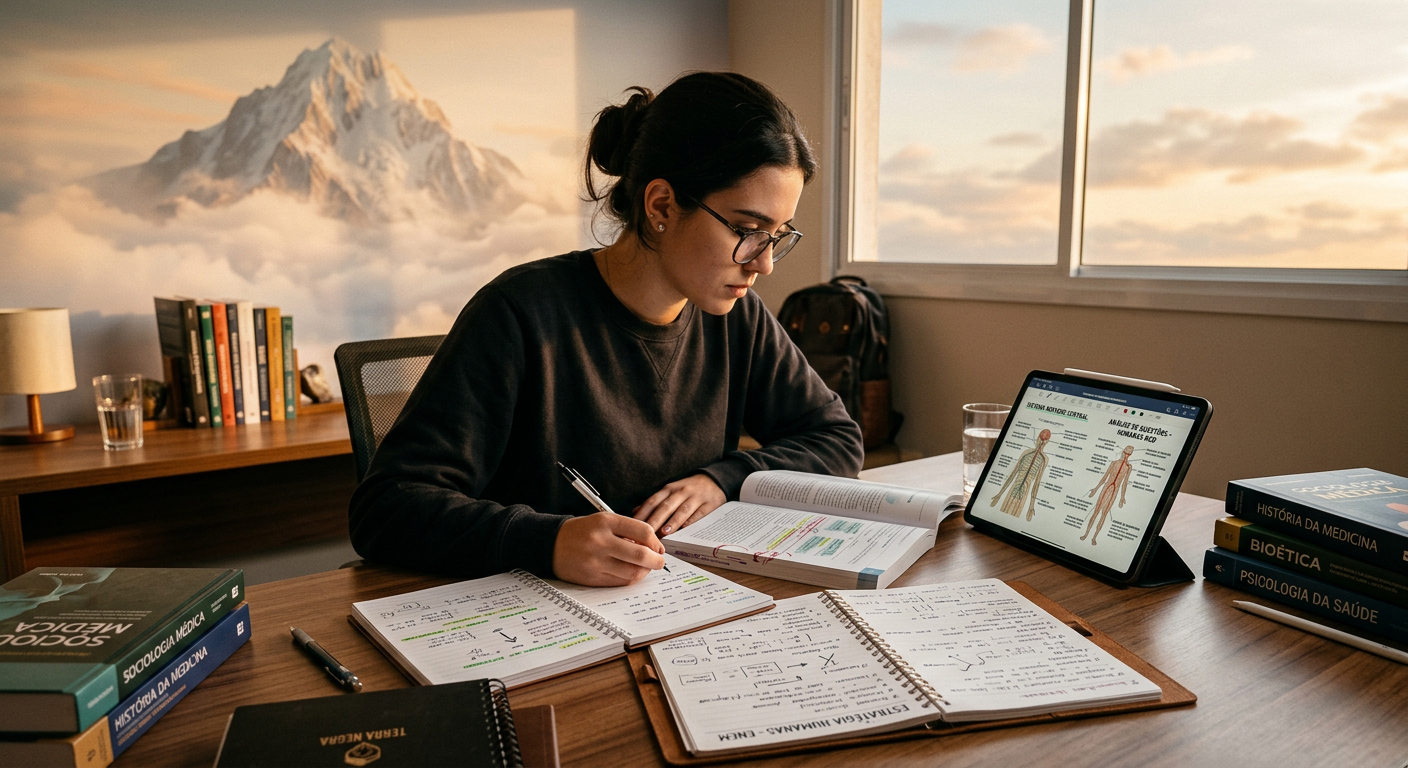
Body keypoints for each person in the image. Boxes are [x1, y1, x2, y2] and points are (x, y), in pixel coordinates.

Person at [349, 72, 864, 587]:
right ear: (661, 205)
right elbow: (386, 508)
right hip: (541, 621)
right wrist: (546, 541)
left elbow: (836, 439)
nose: (765, 264)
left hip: (677, 606)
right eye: (749, 231)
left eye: (778, 235)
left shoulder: (735, 316)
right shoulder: (520, 313)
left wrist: (723, 480)